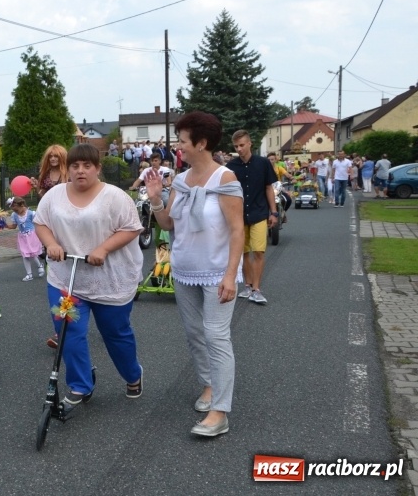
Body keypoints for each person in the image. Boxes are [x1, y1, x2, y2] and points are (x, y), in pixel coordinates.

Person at [144, 111, 243, 437]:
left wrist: (231, 275)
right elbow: (169, 224)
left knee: (216, 335)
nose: (179, 147)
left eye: (183, 142)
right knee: (195, 333)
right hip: (185, 270)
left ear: (201, 143)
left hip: (217, 271)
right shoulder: (182, 181)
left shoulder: (225, 180)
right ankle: (209, 385)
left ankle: (220, 411)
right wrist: (157, 199)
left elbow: (237, 230)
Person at [34, 143, 144, 412]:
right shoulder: (54, 195)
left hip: (109, 279)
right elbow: (41, 222)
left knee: (115, 334)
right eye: (75, 165)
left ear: (97, 168)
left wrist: (103, 248)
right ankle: (81, 384)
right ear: (67, 168)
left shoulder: (116, 197)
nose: (80, 171)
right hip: (66, 278)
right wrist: (51, 244)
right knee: (68, 331)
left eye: (87, 166)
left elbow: (131, 229)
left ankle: (132, 374)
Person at [226, 130, 277, 305]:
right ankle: (247, 286)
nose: (239, 149)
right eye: (236, 146)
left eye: (241, 145)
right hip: (239, 216)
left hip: (259, 212)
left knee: (258, 251)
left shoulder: (263, 163)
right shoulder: (231, 167)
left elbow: (269, 188)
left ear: (249, 144)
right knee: (244, 253)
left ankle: (256, 289)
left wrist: (274, 212)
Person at [5, 196, 44, 281]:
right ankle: (29, 274)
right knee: (25, 255)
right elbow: (14, 226)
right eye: (14, 210)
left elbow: (38, 224)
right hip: (22, 237)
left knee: (32, 254)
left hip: (32, 236)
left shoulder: (31, 213)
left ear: (22, 205)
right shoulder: (14, 215)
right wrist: (5, 225)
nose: (16, 212)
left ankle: (39, 265)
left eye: (17, 209)